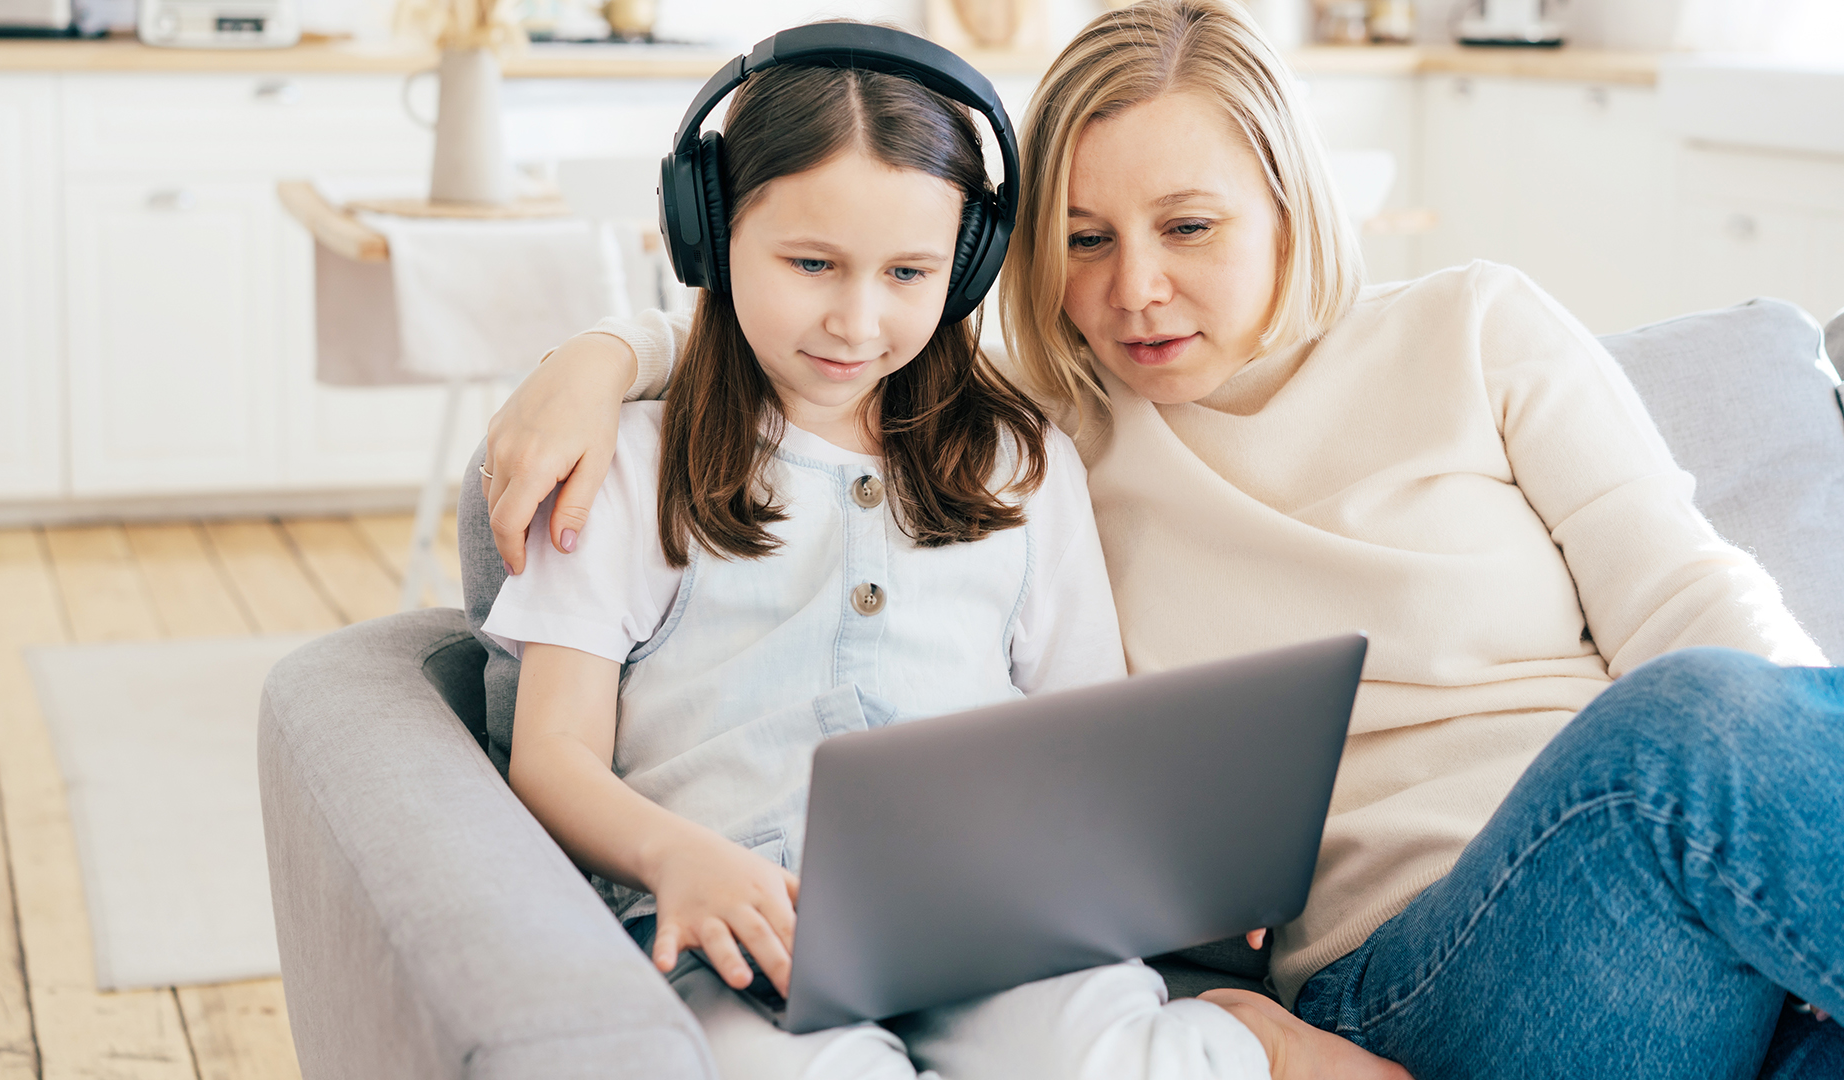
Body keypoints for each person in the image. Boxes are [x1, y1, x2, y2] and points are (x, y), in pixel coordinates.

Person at [477, 3, 1844, 1077]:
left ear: (1291, 201)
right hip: (1419, 975)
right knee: (1693, 735)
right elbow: (834, 346)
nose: (1134, 290)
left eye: (1189, 226)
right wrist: (613, 351)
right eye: (1081, 241)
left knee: (1726, 726)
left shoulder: (1478, 331)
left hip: (1682, 930)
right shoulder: (1062, 441)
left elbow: (1690, 594)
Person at [475, 44, 1405, 1080]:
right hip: (739, 933)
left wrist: (1175, 878)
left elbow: (1085, 732)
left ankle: (1238, 1038)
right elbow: (548, 756)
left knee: (1106, 1061)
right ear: (709, 233)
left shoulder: (1021, 462)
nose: (856, 320)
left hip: (995, 921)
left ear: (965, 267)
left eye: (909, 273)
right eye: (810, 264)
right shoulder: (625, 467)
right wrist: (671, 856)